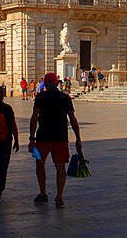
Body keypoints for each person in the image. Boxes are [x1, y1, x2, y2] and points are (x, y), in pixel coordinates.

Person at [28, 72, 81, 208]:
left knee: (40, 163)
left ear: (44, 83)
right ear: (57, 83)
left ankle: (43, 193)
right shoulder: (65, 97)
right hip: (61, 138)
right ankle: (59, 197)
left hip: (42, 138)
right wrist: (78, 138)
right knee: (60, 167)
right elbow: (72, 119)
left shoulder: (40, 97)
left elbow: (34, 117)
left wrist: (32, 137)